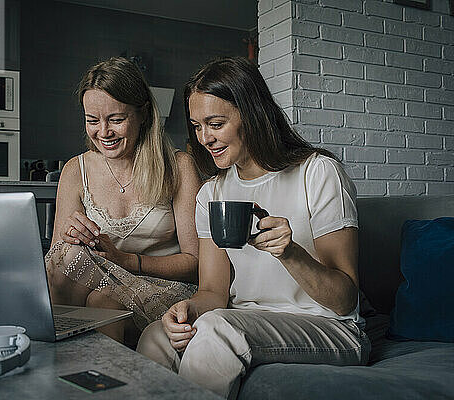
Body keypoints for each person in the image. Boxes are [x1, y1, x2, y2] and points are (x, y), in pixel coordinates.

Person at [136, 57, 371, 399]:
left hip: (332, 328)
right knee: (156, 335)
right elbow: (213, 292)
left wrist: (290, 254)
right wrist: (188, 310)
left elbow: (344, 299)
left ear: (252, 113)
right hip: (247, 321)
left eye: (215, 124)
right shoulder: (212, 193)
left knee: (217, 329)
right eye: (197, 126)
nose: (205, 138)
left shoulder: (318, 173)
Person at [45, 57, 201, 346]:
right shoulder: (75, 170)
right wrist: (71, 236)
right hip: (99, 283)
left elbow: (195, 263)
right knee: (66, 260)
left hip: (164, 285)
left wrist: (127, 261)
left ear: (143, 115)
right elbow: (60, 262)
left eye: (116, 119)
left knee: (104, 301)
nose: (103, 133)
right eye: (93, 120)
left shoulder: (179, 167)